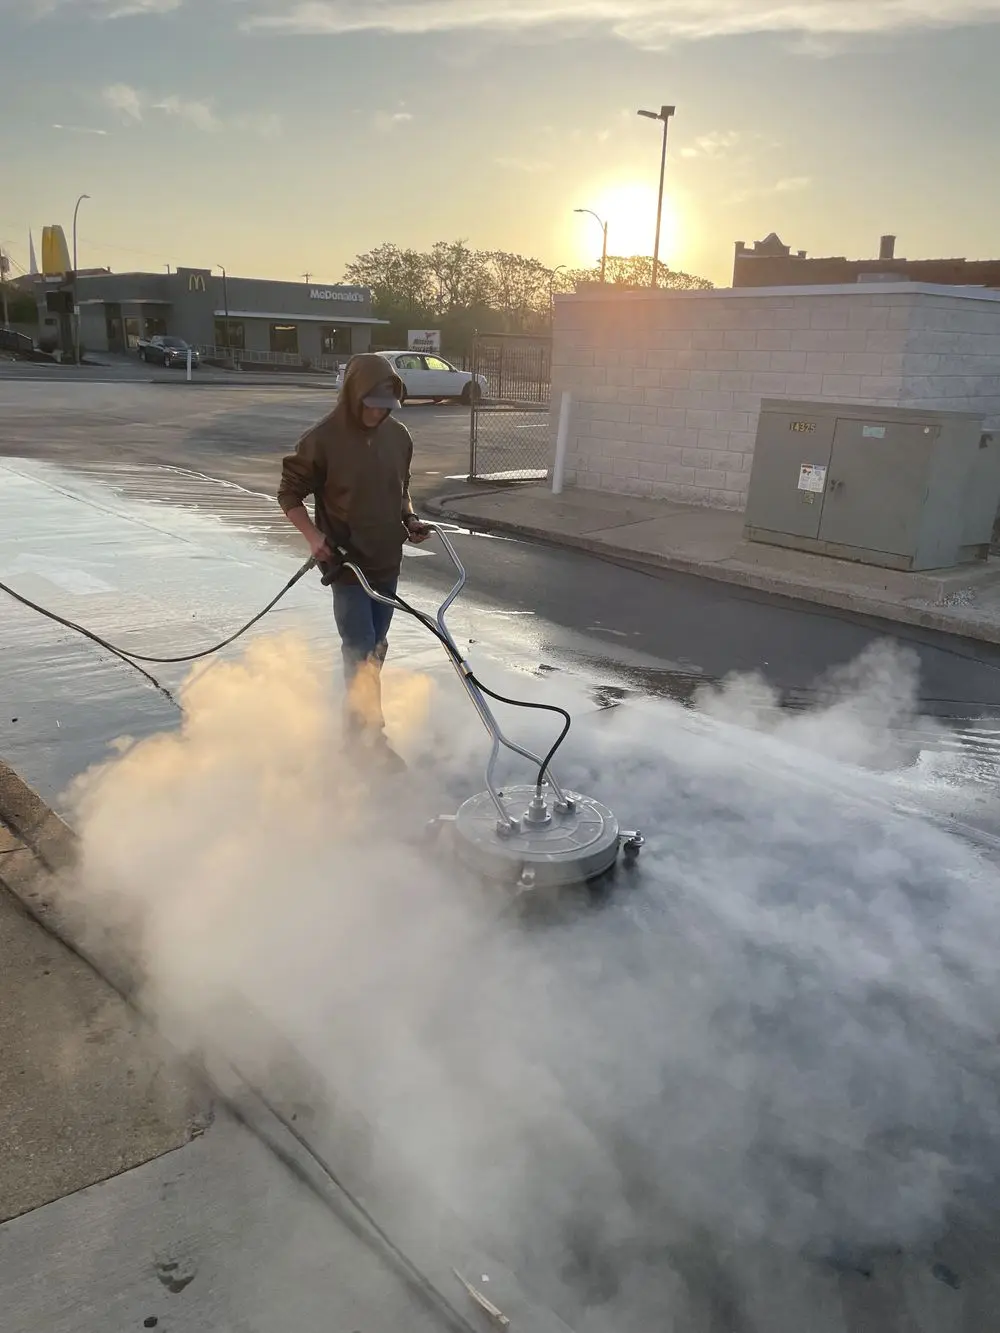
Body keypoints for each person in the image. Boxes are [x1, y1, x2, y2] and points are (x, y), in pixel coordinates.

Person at [277, 352, 431, 771]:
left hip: (386, 561)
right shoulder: (323, 440)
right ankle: (365, 741)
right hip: (347, 567)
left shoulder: (399, 437)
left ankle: (358, 731)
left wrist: (410, 518)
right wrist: (313, 537)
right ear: (355, 395)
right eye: (373, 404)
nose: (379, 413)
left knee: (376, 649)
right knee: (360, 650)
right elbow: (289, 494)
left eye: (388, 406)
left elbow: (402, 489)